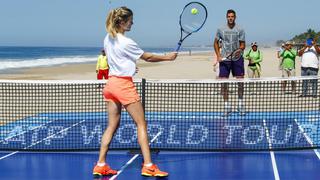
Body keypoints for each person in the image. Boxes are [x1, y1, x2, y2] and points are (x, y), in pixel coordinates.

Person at [92, 7, 177, 178]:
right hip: (123, 86)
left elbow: (116, 59)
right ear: (122, 22)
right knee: (141, 124)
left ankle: (100, 164)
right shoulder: (127, 42)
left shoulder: (108, 38)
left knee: (111, 126)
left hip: (111, 84)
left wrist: (129, 67)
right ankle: (148, 165)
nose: (133, 23)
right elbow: (148, 57)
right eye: (130, 20)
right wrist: (168, 57)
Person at [213, 9, 246, 116]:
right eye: (228, 16)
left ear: (235, 17)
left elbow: (243, 45)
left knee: (240, 82)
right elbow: (215, 43)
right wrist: (218, 56)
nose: (230, 18)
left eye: (232, 16)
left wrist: (239, 51)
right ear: (226, 17)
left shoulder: (240, 29)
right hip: (225, 60)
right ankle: (227, 106)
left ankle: (240, 105)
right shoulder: (220, 29)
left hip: (237, 59)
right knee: (223, 83)